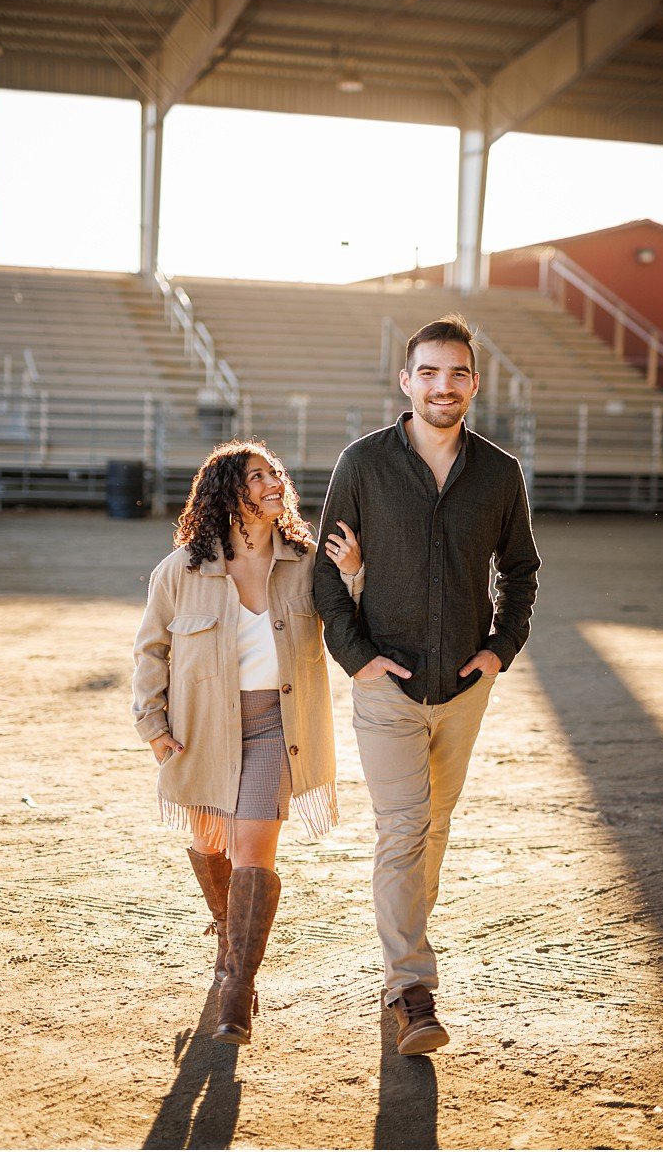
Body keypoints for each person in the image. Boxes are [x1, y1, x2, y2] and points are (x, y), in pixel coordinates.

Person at [314, 313, 540, 1056]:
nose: (444, 386)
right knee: (404, 828)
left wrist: (500, 648)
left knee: (433, 828)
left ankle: (403, 957)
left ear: (474, 383)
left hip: (465, 685)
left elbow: (520, 570)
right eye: (430, 372)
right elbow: (325, 573)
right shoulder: (363, 464)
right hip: (386, 684)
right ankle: (411, 988)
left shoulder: (499, 472)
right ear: (406, 381)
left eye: (458, 373)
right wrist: (359, 657)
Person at [132, 441, 362, 1044]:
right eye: (257, 477)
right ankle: (229, 941)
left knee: (254, 851)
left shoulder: (306, 562)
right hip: (203, 728)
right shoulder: (180, 570)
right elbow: (151, 650)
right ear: (226, 492)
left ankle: (235, 987)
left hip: (275, 727)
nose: (272, 484)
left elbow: (351, 618)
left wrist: (356, 571)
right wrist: (153, 728)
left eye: (275, 475)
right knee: (211, 845)